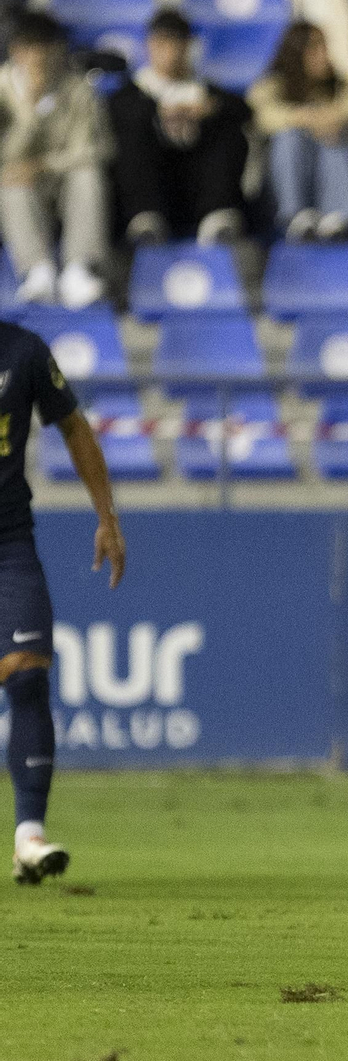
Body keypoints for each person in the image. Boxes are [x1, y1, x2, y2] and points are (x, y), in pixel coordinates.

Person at [0, 318, 126, 883]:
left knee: (27, 676)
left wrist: (106, 515)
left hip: (8, 541)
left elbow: (73, 428)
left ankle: (30, 836)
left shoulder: (23, 350)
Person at [107, 9, 250, 247]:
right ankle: (145, 220)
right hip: (153, 190)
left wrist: (209, 109)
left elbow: (245, 110)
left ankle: (218, 216)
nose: (171, 52)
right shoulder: (133, 93)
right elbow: (115, 112)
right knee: (131, 133)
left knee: (228, 128)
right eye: (163, 43)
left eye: (177, 42)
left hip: (197, 189)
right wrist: (158, 112)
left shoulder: (206, 92)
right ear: (150, 45)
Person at [0, 11, 110, 308]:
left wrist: (43, 166)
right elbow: (6, 157)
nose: (39, 56)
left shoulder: (77, 89)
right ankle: (37, 270)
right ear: (16, 51)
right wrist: (31, 109)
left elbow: (92, 149)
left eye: (45, 47)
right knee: (10, 178)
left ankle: (78, 267)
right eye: (31, 47)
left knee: (87, 173)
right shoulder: (2, 90)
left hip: (61, 180)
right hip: (15, 184)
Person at [249, 22, 348, 241]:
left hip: (326, 177)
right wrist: (304, 118)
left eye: (325, 46)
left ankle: (338, 216)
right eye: (315, 48)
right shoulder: (272, 85)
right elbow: (262, 116)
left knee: (340, 134)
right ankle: (296, 215)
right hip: (278, 189)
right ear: (297, 53)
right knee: (289, 137)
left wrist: (333, 120)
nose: (324, 54)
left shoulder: (339, 86)